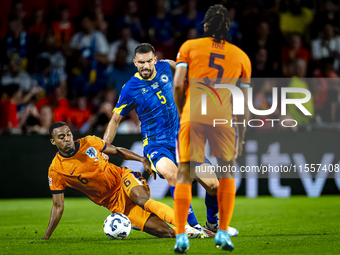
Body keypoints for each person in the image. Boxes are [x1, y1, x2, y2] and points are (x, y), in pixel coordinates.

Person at [103, 43, 222, 234]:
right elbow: (115, 119)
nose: (146, 66)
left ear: (155, 60)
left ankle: (212, 225)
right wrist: (104, 147)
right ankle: (191, 225)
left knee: (214, 185)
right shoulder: (130, 88)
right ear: (135, 63)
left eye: (149, 61)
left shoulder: (166, 67)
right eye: (141, 62)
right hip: (156, 145)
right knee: (175, 176)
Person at [173, 5, 251, 253]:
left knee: (185, 173)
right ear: (227, 27)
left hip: (193, 114)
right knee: (227, 173)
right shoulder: (241, 56)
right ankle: (223, 232)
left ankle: (181, 237)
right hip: (222, 118)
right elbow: (244, 101)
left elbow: (177, 83)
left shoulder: (189, 47)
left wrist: (181, 109)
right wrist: (242, 133)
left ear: (205, 26)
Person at [42, 122, 201, 240]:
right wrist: (46, 237)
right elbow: (57, 206)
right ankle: (176, 229)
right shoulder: (56, 170)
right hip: (114, 203)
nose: (67, 139)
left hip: (123, 179)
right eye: (61, 137)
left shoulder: (89, 142)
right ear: (53, 141)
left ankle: (187, 226)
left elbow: (117, 151)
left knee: (141, 199)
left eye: (68, 134)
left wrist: (142, 159)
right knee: (166, 233)